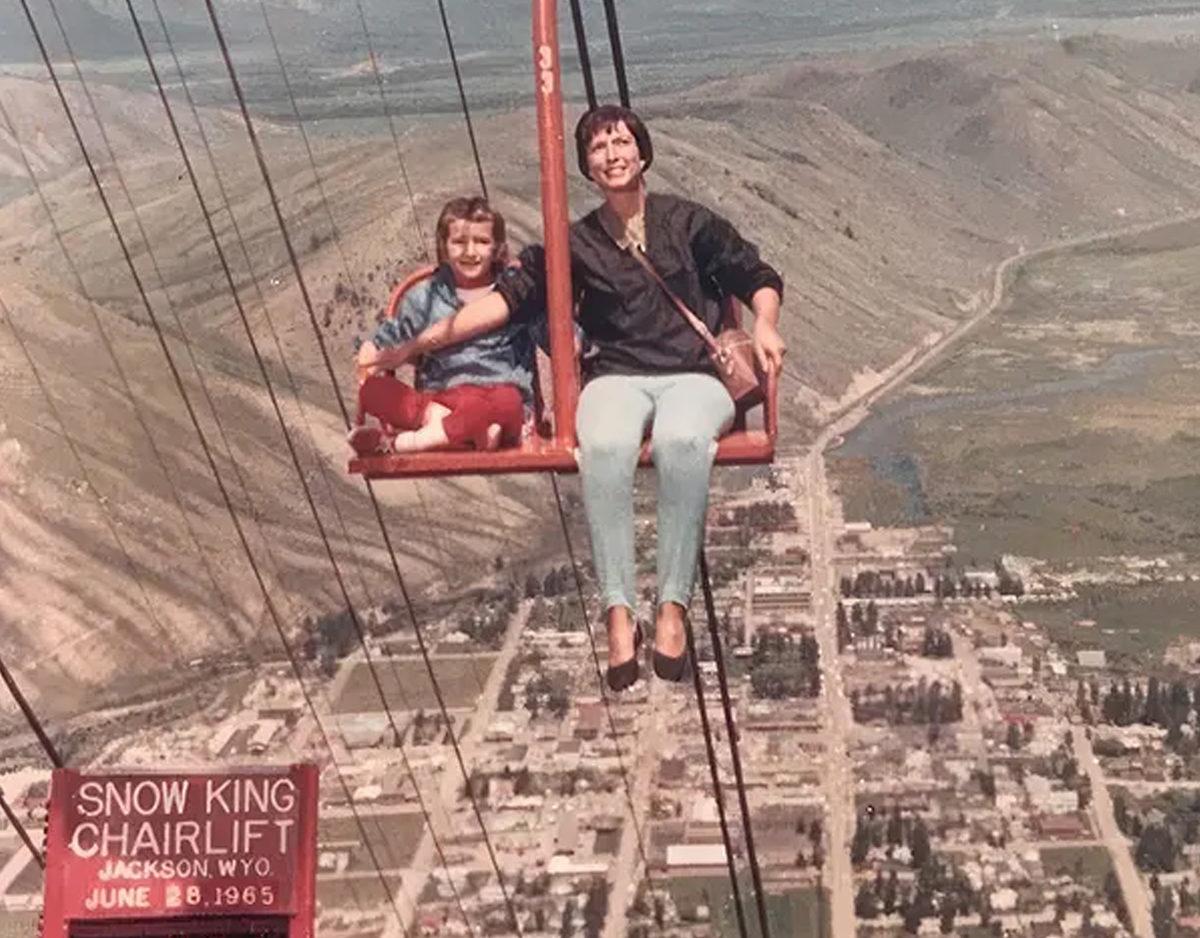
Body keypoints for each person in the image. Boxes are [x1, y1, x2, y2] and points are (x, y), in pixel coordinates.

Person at [358, 106, 786, 690]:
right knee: (604, 442)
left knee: (683, 440)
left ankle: (671, 609)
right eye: (597, 149)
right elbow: (504, 303)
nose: (611, 155)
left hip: (694, 377)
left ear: (642, 153)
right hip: (616, 376)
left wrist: (764, 323)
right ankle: (617, 611)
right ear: (586, 166)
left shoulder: (688, 224)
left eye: (621, 143)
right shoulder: (577, 242)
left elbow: (754, 274)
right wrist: (416, 344)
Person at [350, 196, 532, 455]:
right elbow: (391, 338)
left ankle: (413, 442)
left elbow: (555, 332)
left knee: (506, 402)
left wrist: (577, 342)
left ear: (497, 248)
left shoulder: (516, 292)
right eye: (459, 242)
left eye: (481, 242)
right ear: (444, 247)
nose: (470, 252)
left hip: (498, 392)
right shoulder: (425, 297)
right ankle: (463, 431)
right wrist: (373, 348)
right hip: (440, 399)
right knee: (374, 390)